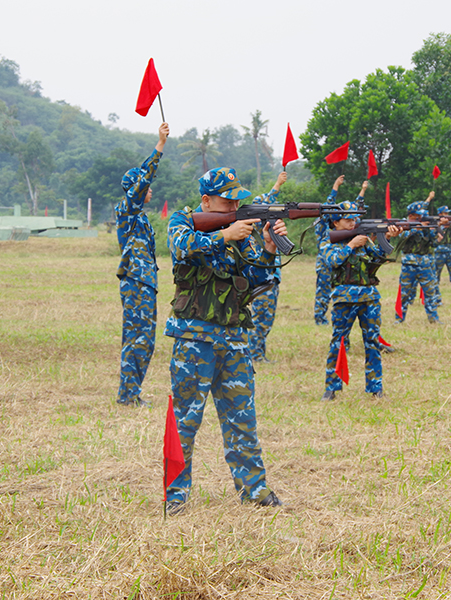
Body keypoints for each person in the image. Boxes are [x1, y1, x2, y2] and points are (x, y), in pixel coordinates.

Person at [164, 167, 286, 514]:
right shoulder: (183, 222)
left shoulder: (239, 233)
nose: (234, 206)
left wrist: (266, 248)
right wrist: (226, 235)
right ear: (205, 200)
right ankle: (175, 495)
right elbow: (182, 248)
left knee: (242, 419)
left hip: (234, 340)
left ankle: (254, 490)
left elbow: (257, 280)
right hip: (194, 339)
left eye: (237, 200)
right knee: (185, 421)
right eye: (226, 200)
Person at [114, 122, 169, 408]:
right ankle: (128, 395)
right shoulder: (127, 209)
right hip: (137, 283)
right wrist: (159, 145)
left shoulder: (140, 218)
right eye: (144, 186)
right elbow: (143, 180)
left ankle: (131, 392)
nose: (149, 190)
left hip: (145, 283)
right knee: (138, 338)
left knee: (144, 339)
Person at [320, 201, 394, 401]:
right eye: (347, 220)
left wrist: (386, 238)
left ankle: (375, 388)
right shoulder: (329, 241)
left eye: (354, 219)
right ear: (335, 223)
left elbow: (379, 257)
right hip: (344, 299)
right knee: (339, 342)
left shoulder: (362, 240)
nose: (352, 223)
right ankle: (331, 388)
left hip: (369, 298)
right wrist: (351, 245)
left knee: (372, 342)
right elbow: (332, 261)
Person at [313, 177, 369, 325]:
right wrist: (335, 188)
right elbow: (328, 208)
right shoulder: (323, 226)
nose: (353, 222)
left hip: (342, 261)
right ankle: (320, 318)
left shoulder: (347, 228)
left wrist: (362, 191)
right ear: (335, 221)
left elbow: (354, 209)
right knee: (323, 292)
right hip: (325, 263)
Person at [248, 171, 287, 362]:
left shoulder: (268, 228)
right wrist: (277, 185)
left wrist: (278, 184)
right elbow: (266, 201)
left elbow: (269, 200)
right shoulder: (256, 229)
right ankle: (255, 355)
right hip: (263, 278)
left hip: (272, 278)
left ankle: (258, 352)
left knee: (266, 319)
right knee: (260, 319)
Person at [387, 193, 442, 324]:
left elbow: (433, 243)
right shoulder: (403, 224)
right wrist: (417, 227)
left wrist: (434, 231)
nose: (422, 217)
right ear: (411, 216)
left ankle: (433, 318)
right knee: (405, 293)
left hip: (425, 264)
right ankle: (399, 319)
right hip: (409, 264)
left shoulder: (426, 227)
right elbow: (402, 237)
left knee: (430, 292)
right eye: (418, 216)